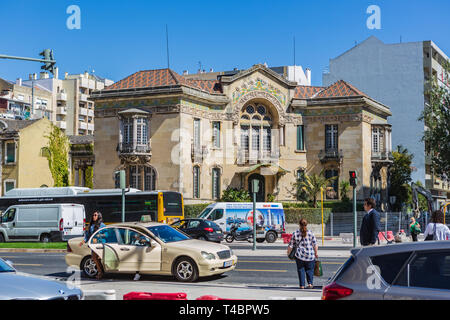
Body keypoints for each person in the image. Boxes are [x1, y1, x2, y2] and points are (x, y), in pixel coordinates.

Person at [287, 218, 319, 289]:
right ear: (306, 225)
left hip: (299, 256)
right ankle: (310, 284)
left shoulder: (295, 233)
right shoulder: (311, 233)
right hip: (310, 255)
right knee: (310, 270)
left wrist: (288, 253)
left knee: (301, 270)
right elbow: (315, 244)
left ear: (299, 224)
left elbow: (291, 245)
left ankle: (302, 285)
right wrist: (316, 253)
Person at [79, 211, 106, 279]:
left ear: (99, 216)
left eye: (95, 215)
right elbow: (88, 235)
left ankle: (101, 272)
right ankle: (100, 272)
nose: (93, 216)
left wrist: (99, 235)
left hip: (100, 244)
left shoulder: (102, 225)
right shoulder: (91, 225)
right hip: (93, 244)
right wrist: (83, 241)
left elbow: (107, 234)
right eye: (93, 215)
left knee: (100, 258)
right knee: (94, 258)